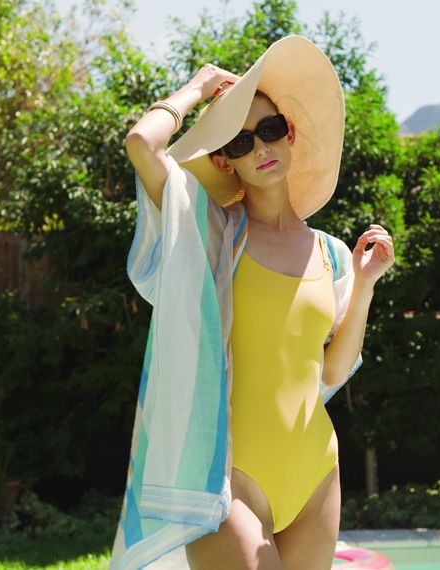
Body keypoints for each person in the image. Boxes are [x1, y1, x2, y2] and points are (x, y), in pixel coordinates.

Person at [110, 35, 394, 570]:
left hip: (316, 469)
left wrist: (365, 285)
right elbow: (141, 145)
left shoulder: (332, 255)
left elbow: (332, 367)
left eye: (268, 130)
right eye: (240, 143)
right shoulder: (214, 236)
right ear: (225, 161)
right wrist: (196, 87)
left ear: (290, 134)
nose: (260, 149)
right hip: (227, 478)